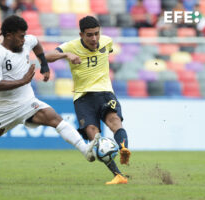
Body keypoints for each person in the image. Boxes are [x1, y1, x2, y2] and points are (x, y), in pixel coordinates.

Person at [0, 15, 99, 183]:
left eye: (24, 35)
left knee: (55, 118)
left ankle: (85, 150)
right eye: (20, 36)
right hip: (3, 107)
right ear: (9, 35)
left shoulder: (27, 41)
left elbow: (36, 43)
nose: (24, 39)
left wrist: (44, 64)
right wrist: (23, 80)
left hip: (27, 102)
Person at [45, 16, 131, 185]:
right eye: (90, 35)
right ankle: (119, 175)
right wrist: (67, 55)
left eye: (97, 34)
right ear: (81, 34)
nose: (94, 39)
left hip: (104, 91)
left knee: (114, 121)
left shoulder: (107, 42)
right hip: (83, 98)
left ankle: (123, 148)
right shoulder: (71, 46)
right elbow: (46, 57)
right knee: (94, 137)